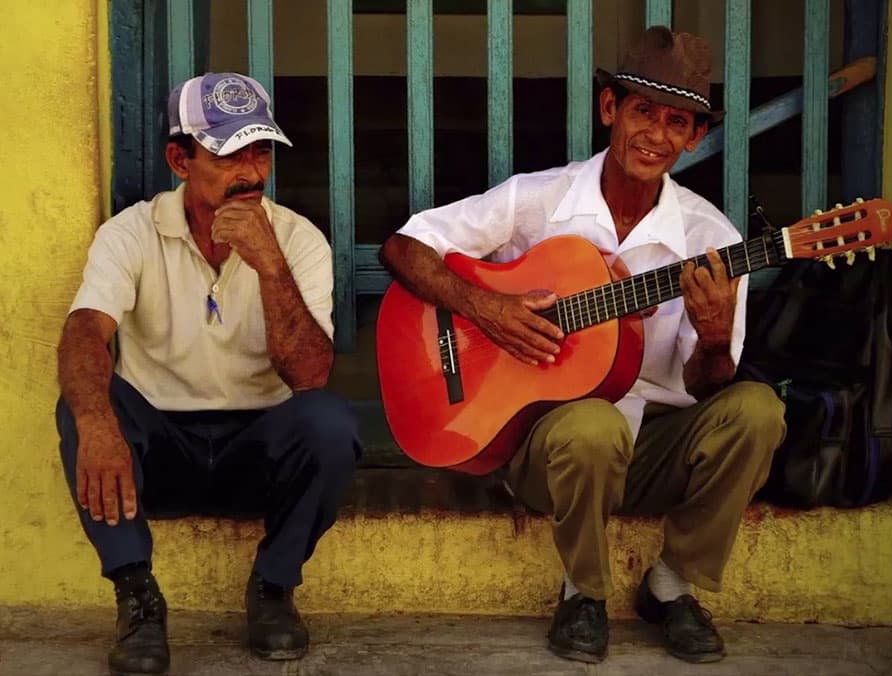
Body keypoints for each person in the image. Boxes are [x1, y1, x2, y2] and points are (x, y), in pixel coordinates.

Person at [379, 27, 786, 665]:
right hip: (550, 452)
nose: (655, 135)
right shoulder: (535, 200)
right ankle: (583, 594)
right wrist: (490, 309)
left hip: (652, 450)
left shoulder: (712, 240)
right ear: (609, 109)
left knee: (759, 410)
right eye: (642, 111)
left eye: (676, 122)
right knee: (592, 424)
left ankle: (672, 586)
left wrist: (712, 337)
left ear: (694, 138)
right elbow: (404, 248)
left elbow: (709, 386)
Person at [56, 72, 360, 676]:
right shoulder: (131, 233)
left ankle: (273, 589)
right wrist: (96, 420)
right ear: (180, 159)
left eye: (261, 151)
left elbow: (310, 376)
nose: (250, 172)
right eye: (227, 154)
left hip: (259, 450)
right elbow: (85, 333)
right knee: (85, 404)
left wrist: (270, 266)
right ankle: (138, 599)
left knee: (328, 422)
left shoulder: (300, 241)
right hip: (163, 450)